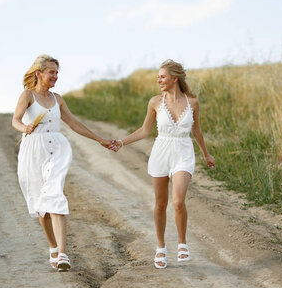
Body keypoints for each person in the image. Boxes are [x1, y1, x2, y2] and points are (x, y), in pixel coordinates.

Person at [12, 54, 115, 272]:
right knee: (42, 206)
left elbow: (74, 123)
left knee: (55, 196)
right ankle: (52, 246)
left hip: (57, 149)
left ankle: (62, 253)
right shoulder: (27, 95)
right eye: (51, 72)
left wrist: (100, 140)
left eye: (57, 73)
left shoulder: (57, 99)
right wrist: (25, 128)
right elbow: (16, 120)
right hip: (33, 150)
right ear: (39, 74)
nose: (55, 76)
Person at [111, 59, 214, 268]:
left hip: (183, 153)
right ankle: (160, 247)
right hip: (161, 152)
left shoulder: (192, 102)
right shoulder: (155, 102)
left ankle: (182, 243)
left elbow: (197, 131)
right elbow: (144, 130)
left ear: (174, 79)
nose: (159, 80)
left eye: (162, 77)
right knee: (160, 204)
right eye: (158, 77)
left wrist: (206, 154)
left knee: (178, 201)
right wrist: (122, 142)